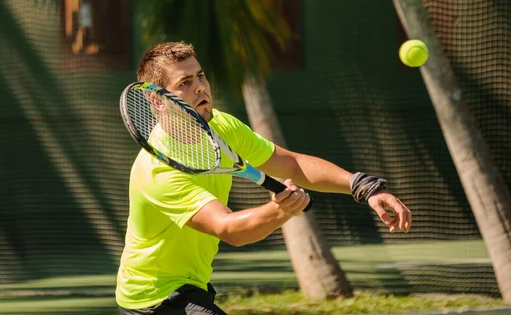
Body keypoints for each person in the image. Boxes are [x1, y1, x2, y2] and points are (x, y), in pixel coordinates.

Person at [116, 42, 412, 314]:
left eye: (201, 76)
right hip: (152, 298)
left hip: (193, 285)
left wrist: (362, 186)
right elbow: (230, 229)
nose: (201, 88)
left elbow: (293, 165)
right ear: (157, 100)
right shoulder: (157, 170)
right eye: (185, 83)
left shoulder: (222, 126)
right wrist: (280, 209)